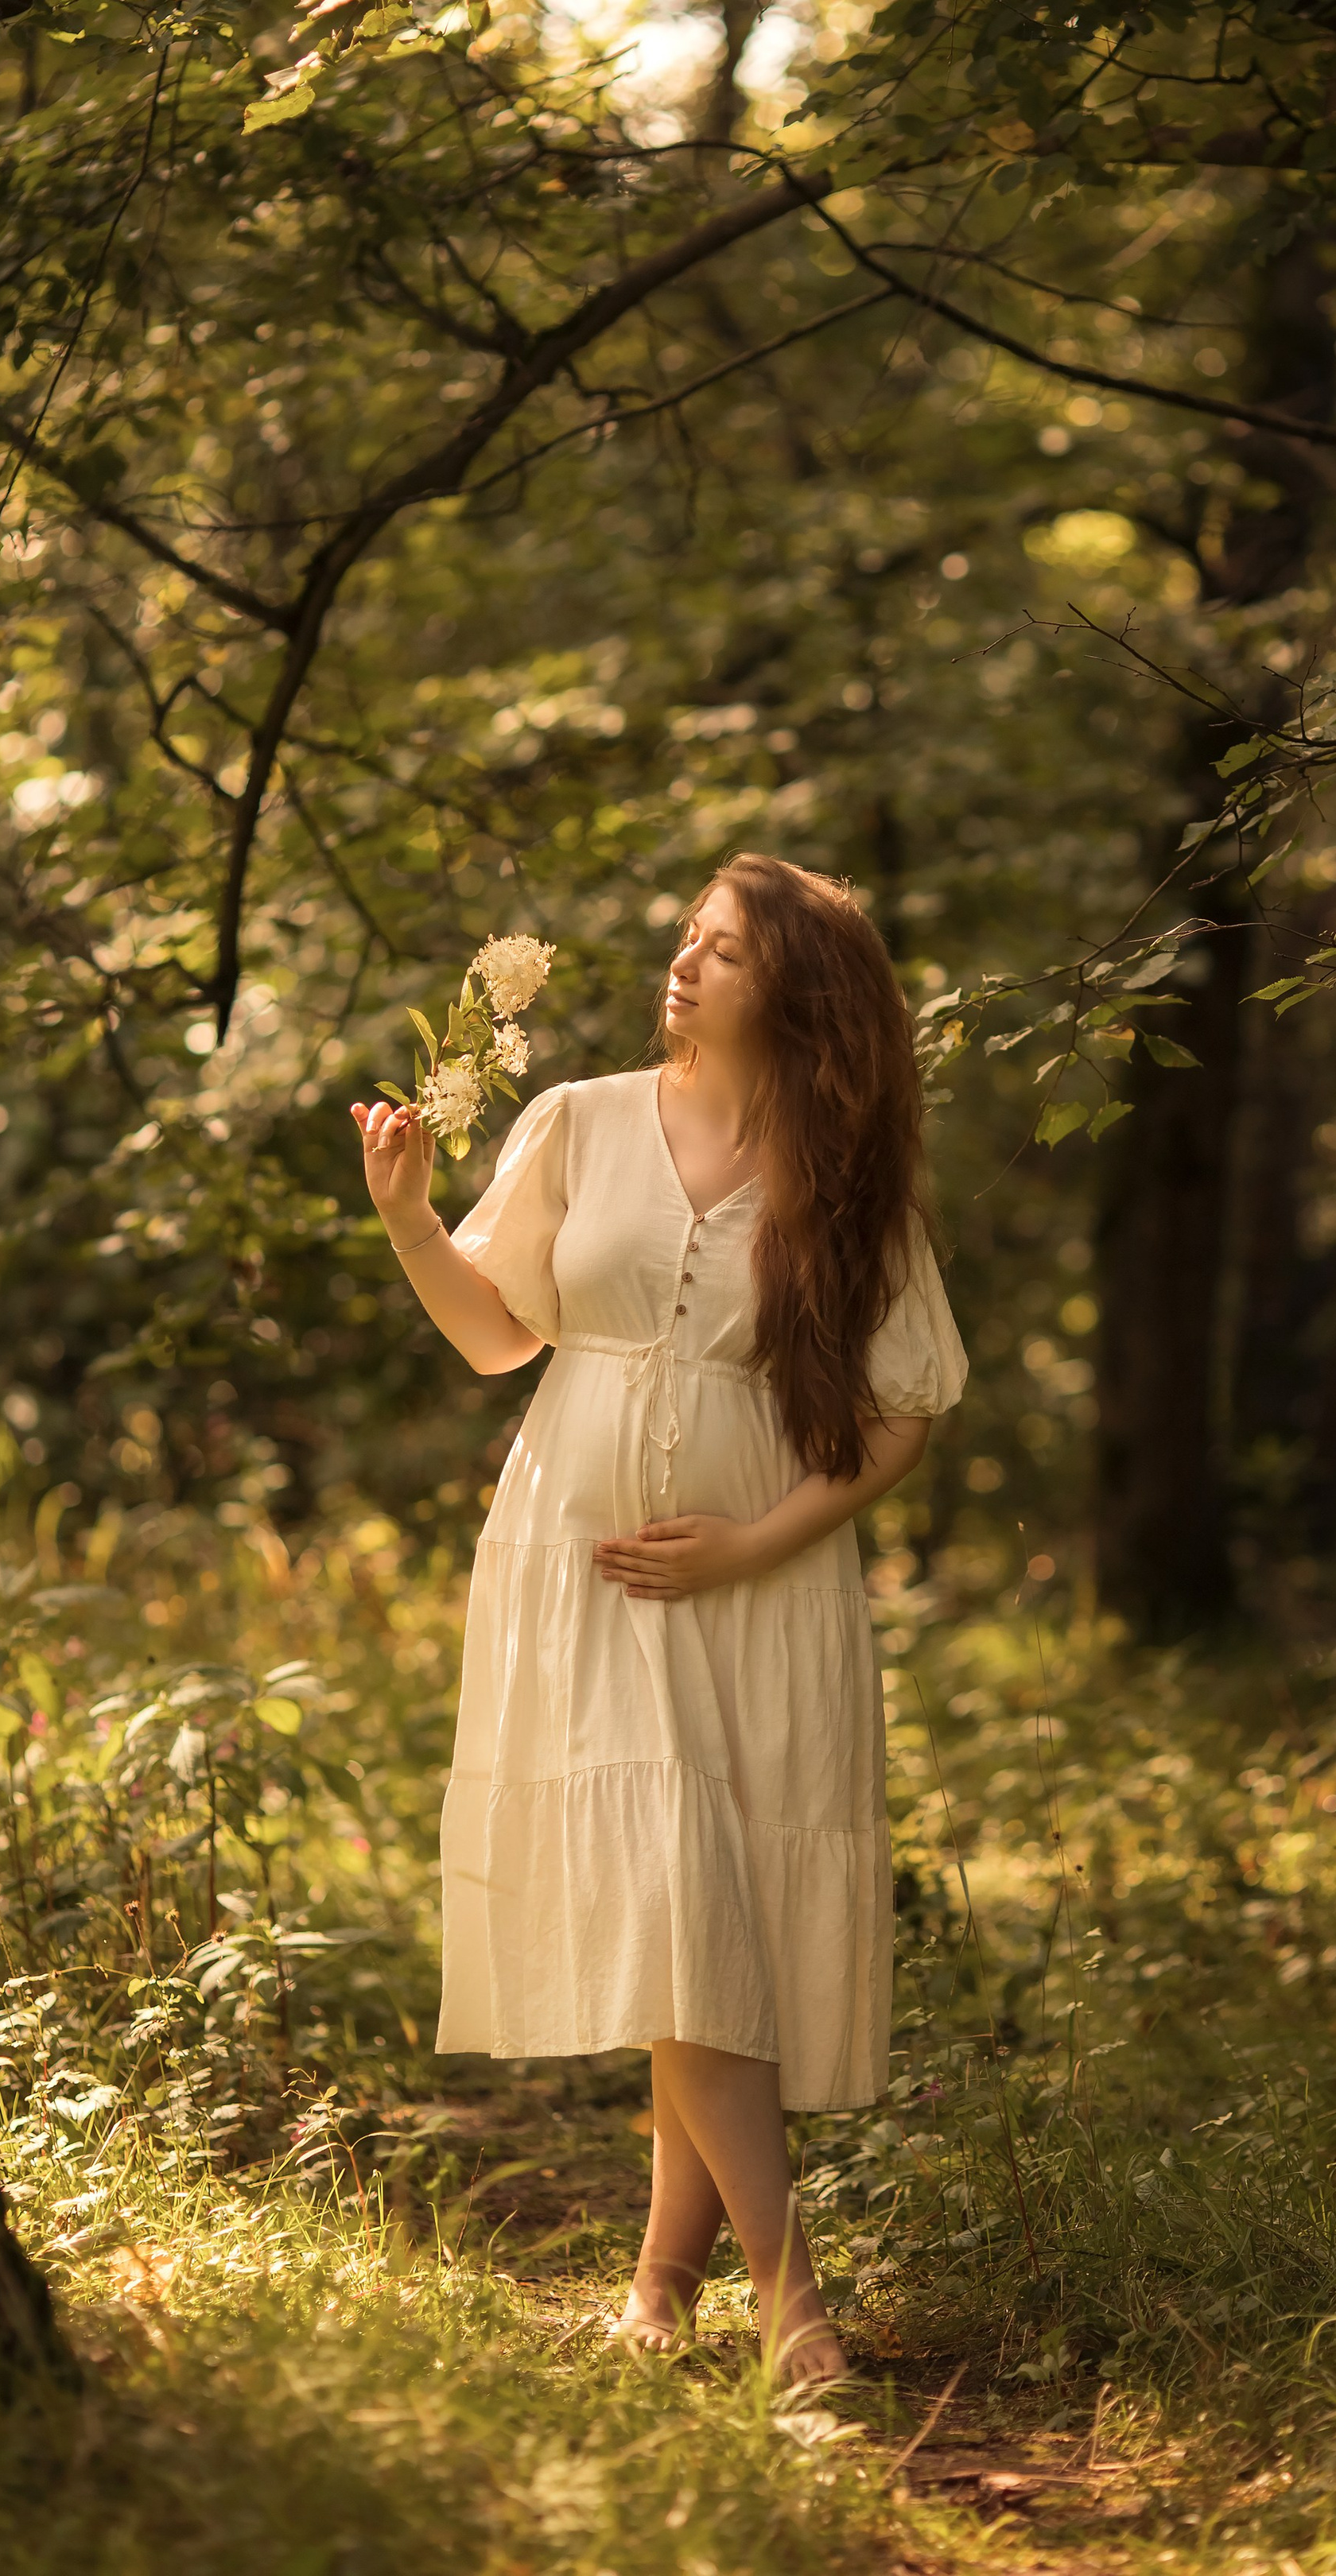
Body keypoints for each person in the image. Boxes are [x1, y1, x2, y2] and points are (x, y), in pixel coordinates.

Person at [349, 854, 965, 2384]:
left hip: (762, 1587)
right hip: (584, 1565)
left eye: (725, 951)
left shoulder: (843, 1173)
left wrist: (751, 1545)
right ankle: (793, 2308)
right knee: (681, 1902)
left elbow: (905, 1408)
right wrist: (412, 1222)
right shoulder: (581, 1120)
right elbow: (499, 1338)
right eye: (688, 939)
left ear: (797, 991)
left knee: (711, 1922)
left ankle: (659, 2288)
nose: (683, 965)